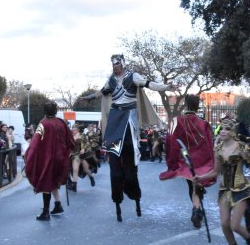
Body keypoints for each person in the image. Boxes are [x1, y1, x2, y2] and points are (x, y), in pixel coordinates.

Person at [79, 54, 177, 222]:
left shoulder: (133, 76)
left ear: (123, 63)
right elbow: (101, 92)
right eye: (113, 64)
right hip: (115, 121)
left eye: (117, 63)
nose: (115, 66)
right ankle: (118, 197)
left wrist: (166, 87)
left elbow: (150, 84)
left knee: (131, 170)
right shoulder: (111, 80)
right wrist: (88, 98)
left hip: (129, 120)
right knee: (115, 171)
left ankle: (133, 192)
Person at [194, 118, 250, 245]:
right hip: (225, 190)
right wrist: (201, 178)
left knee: (235, 225)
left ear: (232, 132)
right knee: (225, 224)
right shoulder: (218, 149)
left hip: (241, 189)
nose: (222, 131)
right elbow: (216, 172)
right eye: (221, 129)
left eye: (226, 129)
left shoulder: (242, 148)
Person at [159, 94, 215, 229]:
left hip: (186, 161)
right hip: (202, 161)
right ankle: (197, 209)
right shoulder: (204, 123)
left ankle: (197, 210)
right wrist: (211, 161)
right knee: (196, 186)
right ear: (197, 106)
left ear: (186, 104)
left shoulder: (176, 121)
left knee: (192, 186)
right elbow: (210, 144)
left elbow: (170, 141)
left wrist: (172, 161)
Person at [25, 102, 75, 220]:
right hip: (61, 158)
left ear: (45, 111)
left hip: (48, 158)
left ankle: (46, 212)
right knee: (53, 181)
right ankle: (58, 205)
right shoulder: (62, 122)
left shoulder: (43, 124)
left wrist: (28, 155)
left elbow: (35, 143)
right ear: (56, 111)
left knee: (46, 182)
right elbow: (71, 140)